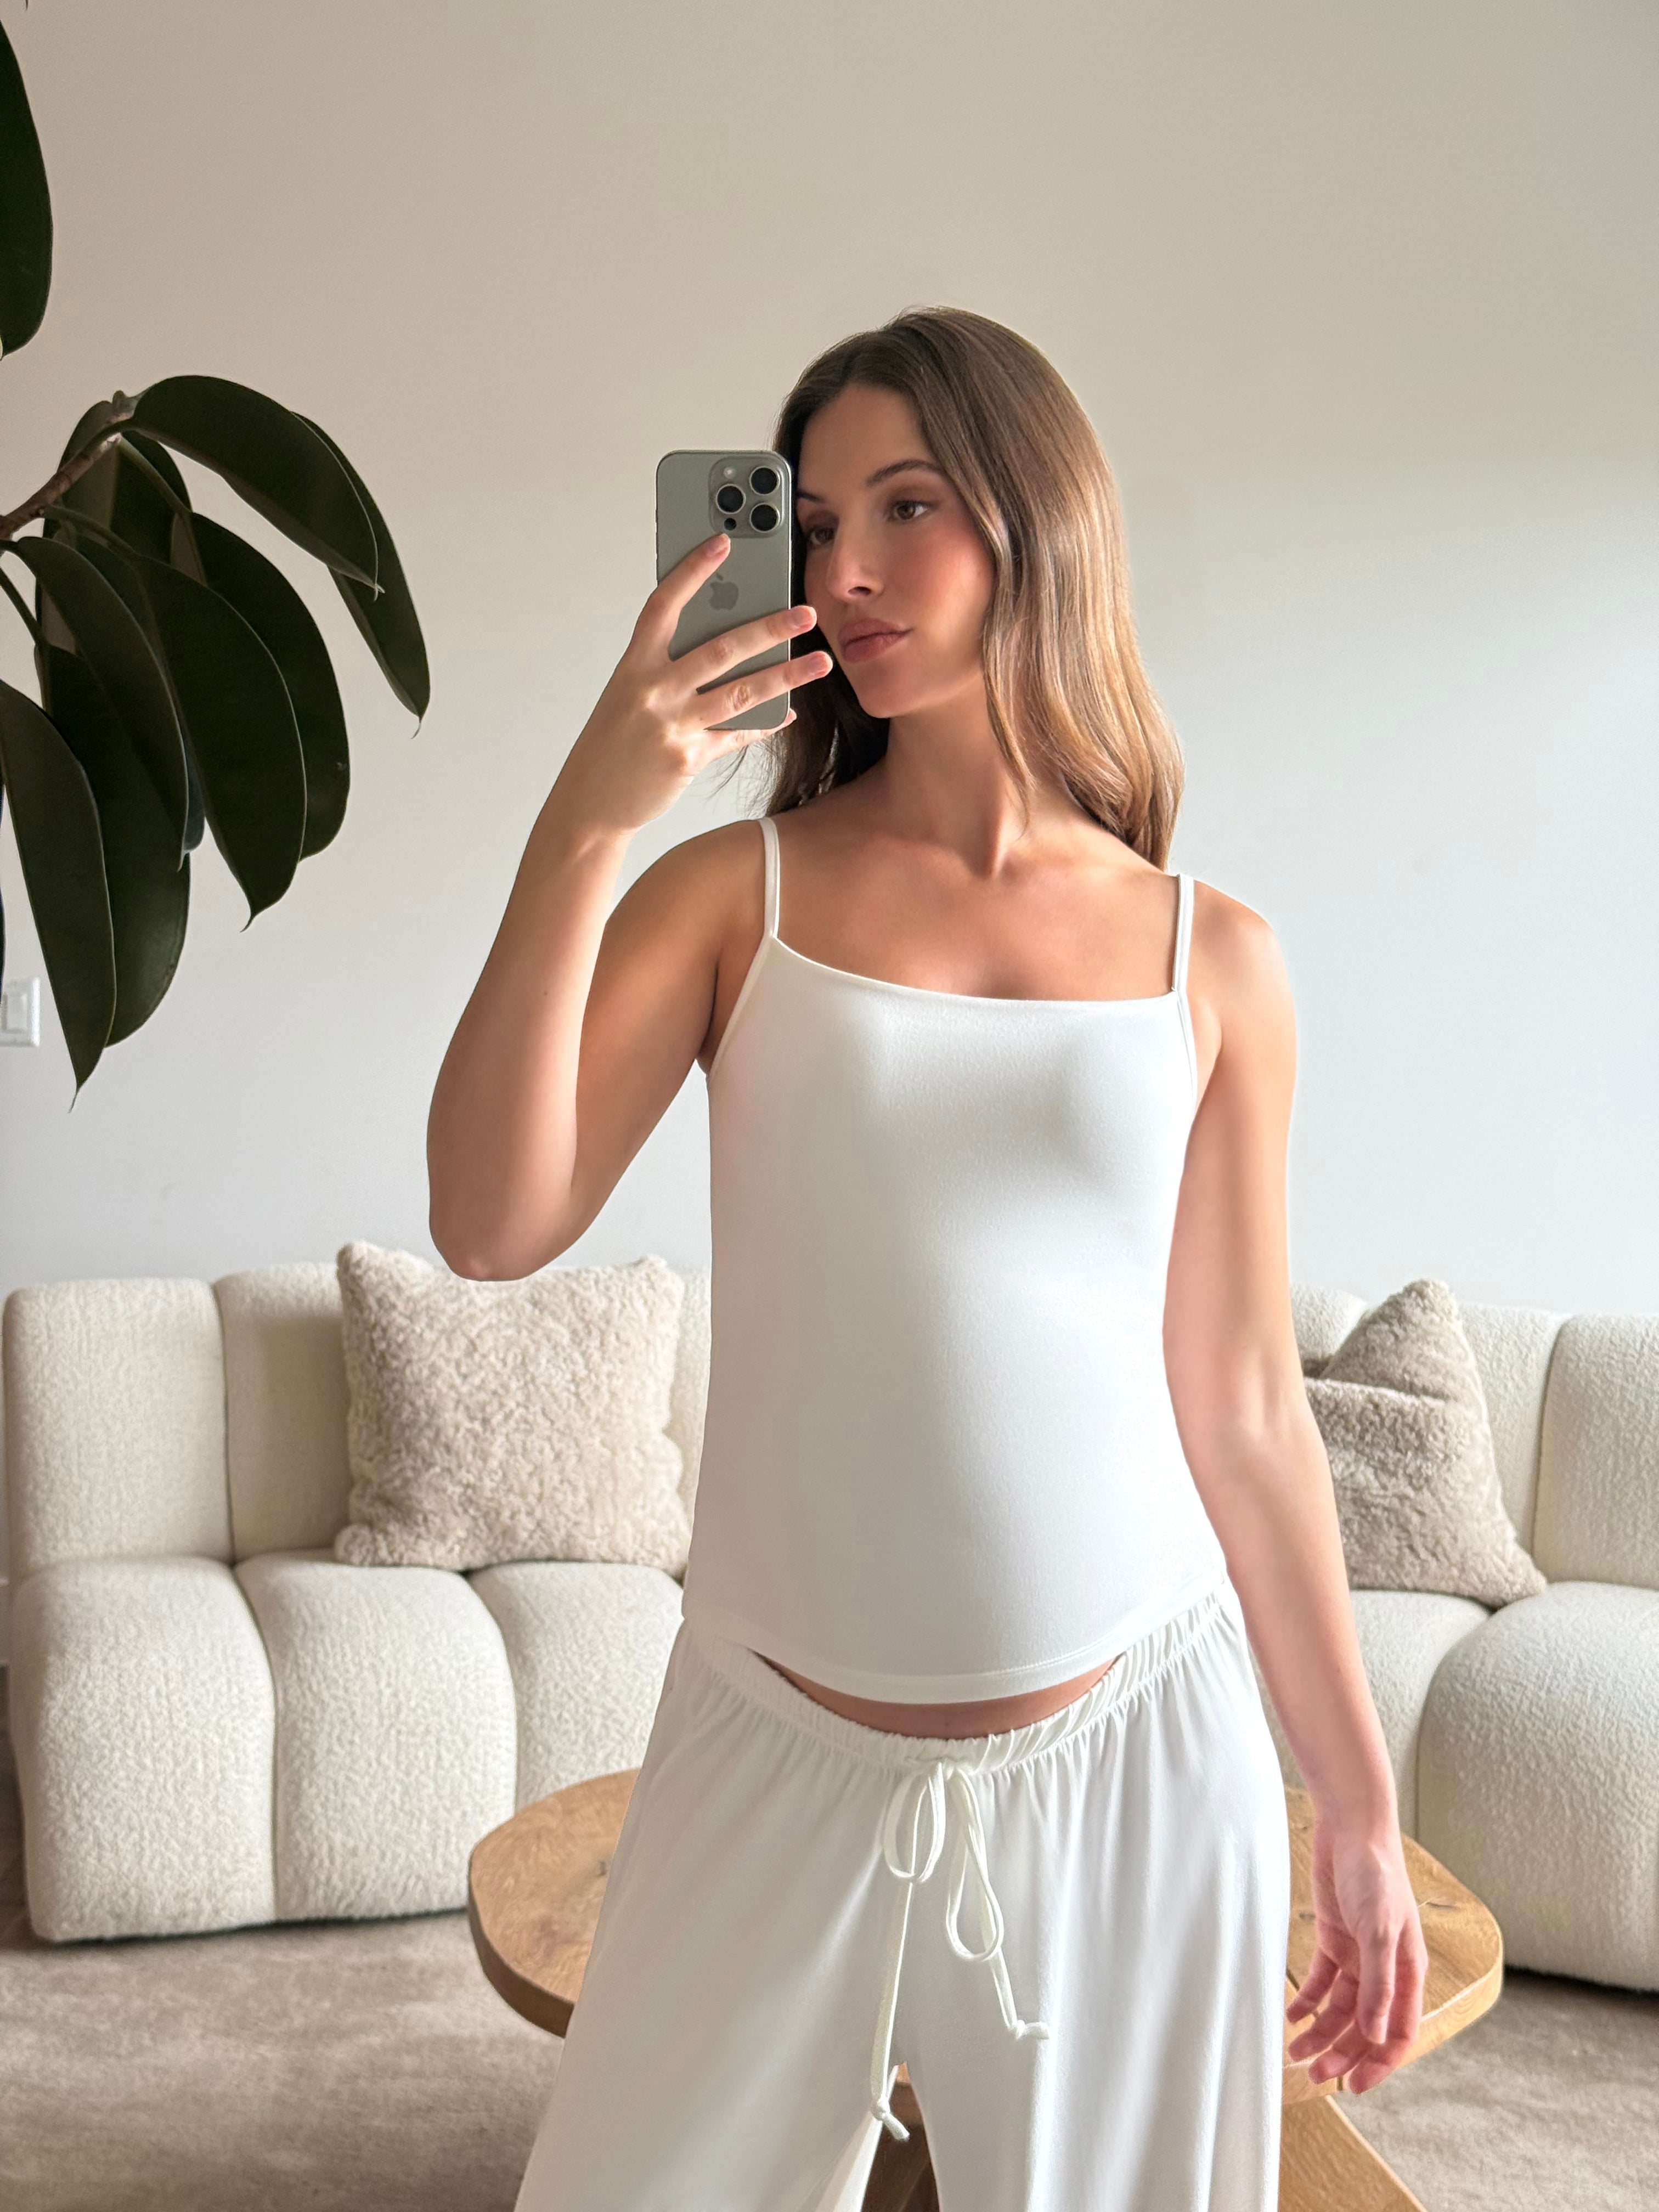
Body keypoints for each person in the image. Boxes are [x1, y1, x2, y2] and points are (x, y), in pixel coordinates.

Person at [427, 307, 1427, 2212]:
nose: (850, 571)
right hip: (771, 1745)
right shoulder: (738, 897)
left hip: (1137, 1759)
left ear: (1037, 526)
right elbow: (490, 1219)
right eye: (809, 523)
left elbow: (1242, 1412)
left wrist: (1360, 1809)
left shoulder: (1212, 958)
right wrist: (588, 816)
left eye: (908, 505)